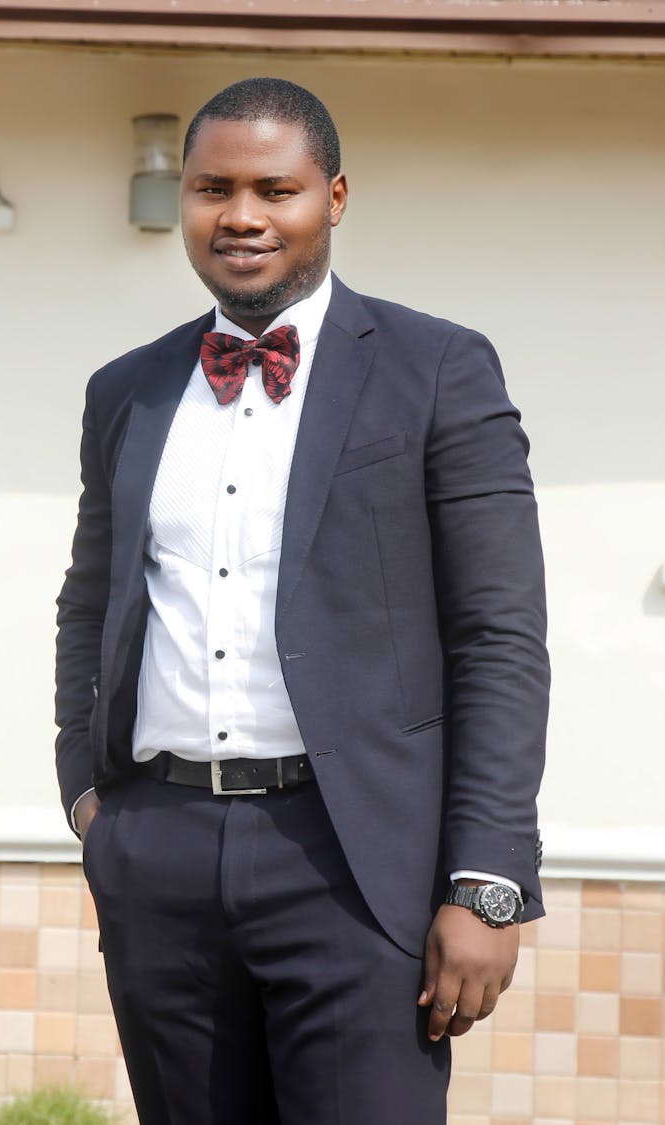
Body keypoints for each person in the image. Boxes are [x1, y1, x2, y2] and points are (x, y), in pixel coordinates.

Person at [55, 77, 549, 1125]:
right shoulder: (127, 391)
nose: (241, 215)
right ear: (184, 200)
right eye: (213, 188)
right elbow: (89, 602)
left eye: (274, 189)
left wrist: (486, 880)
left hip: (357, 858)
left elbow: (499, 637)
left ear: (333, 196)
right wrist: (91, 803)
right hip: (160, 853)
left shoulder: (436, 370)